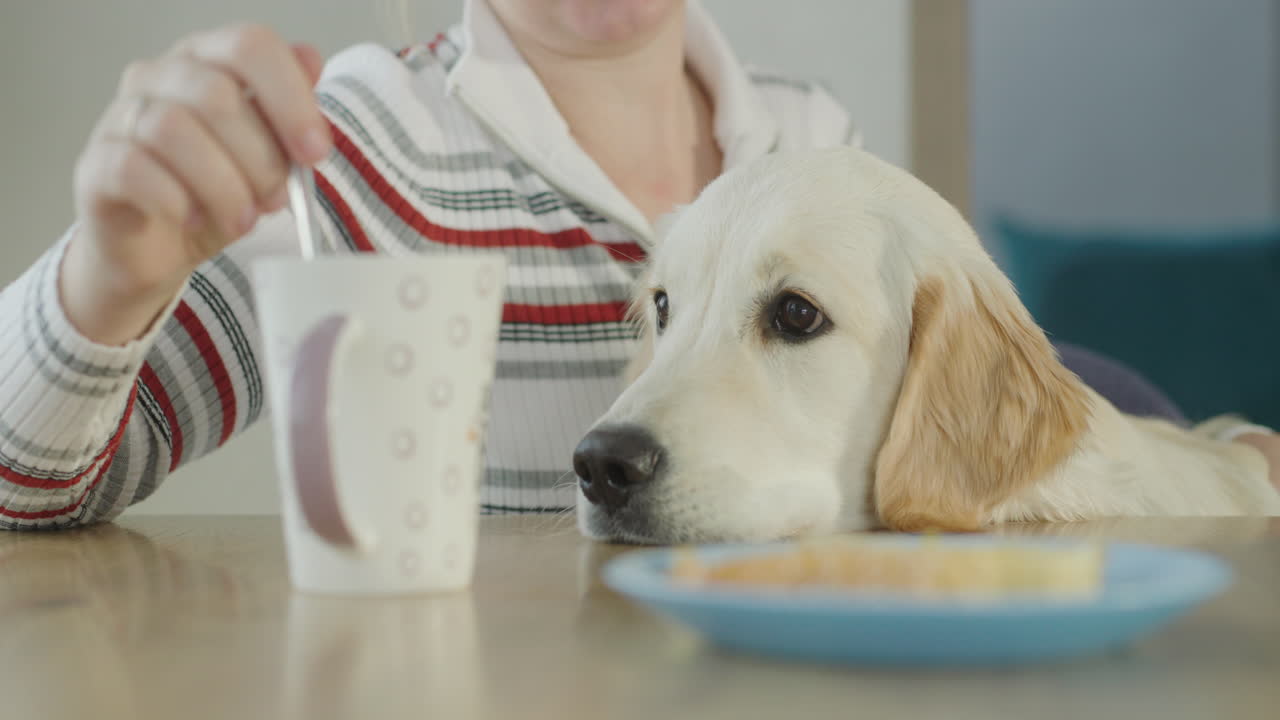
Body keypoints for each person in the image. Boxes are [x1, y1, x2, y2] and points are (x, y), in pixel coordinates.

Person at [0, 0, 1273, 530]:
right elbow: (26, 491)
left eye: (784, 313)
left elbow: (944, 484)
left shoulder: (811, 134)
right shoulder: (350, 148)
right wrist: (115, 269)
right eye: (659, 311)